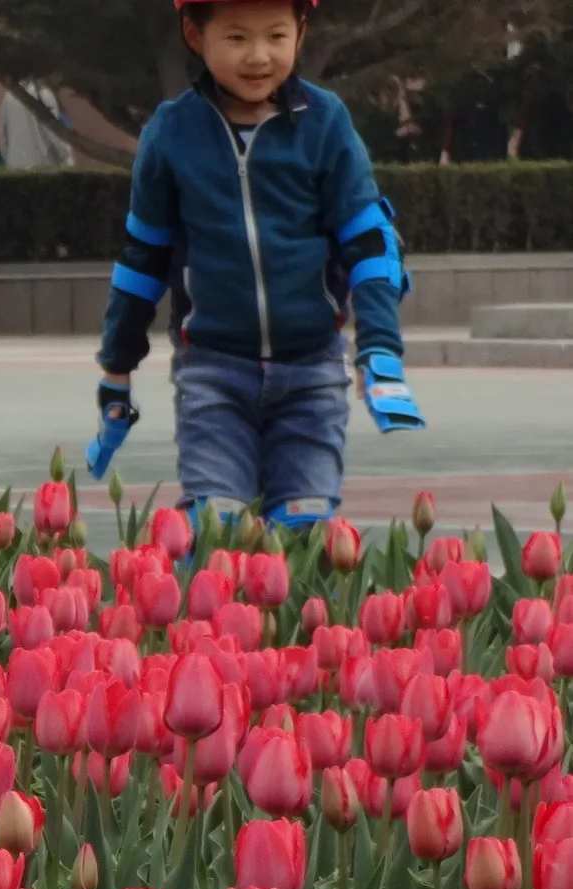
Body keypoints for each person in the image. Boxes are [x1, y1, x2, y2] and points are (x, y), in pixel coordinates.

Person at [88, 0, 422, 530]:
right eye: (237, 38)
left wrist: (379, 350)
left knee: (302, 528)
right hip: (214, 371)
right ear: (195, 35)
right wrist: (116, 375)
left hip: (311, 369)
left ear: (301, 32)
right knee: (216, 526)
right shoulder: (172, 131)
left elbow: (369, 243)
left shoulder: (326, 122)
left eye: (276, 35)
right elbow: (141, 261)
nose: (259, 56)